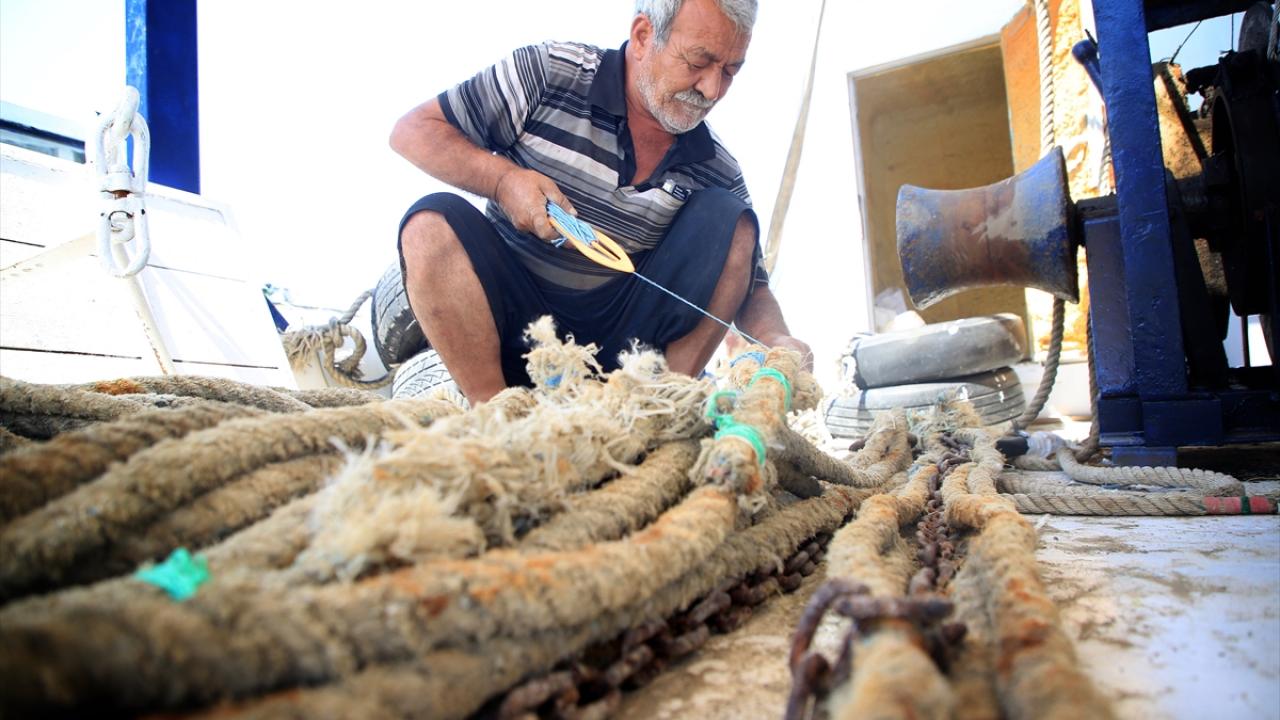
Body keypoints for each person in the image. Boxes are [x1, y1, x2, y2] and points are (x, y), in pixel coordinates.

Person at [390, 0, 810, 404]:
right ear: (644, 35)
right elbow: (413, 131)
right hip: (511, 326)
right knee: (428, 225)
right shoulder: (549, 73)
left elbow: (752, 288)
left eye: (731, 71)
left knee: (732, 222)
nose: (711, 88)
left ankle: (662, 412)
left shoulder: (716, 168)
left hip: (626, 358)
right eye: (698, 62)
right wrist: (503, 181)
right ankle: (493, 410)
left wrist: (777, 341)